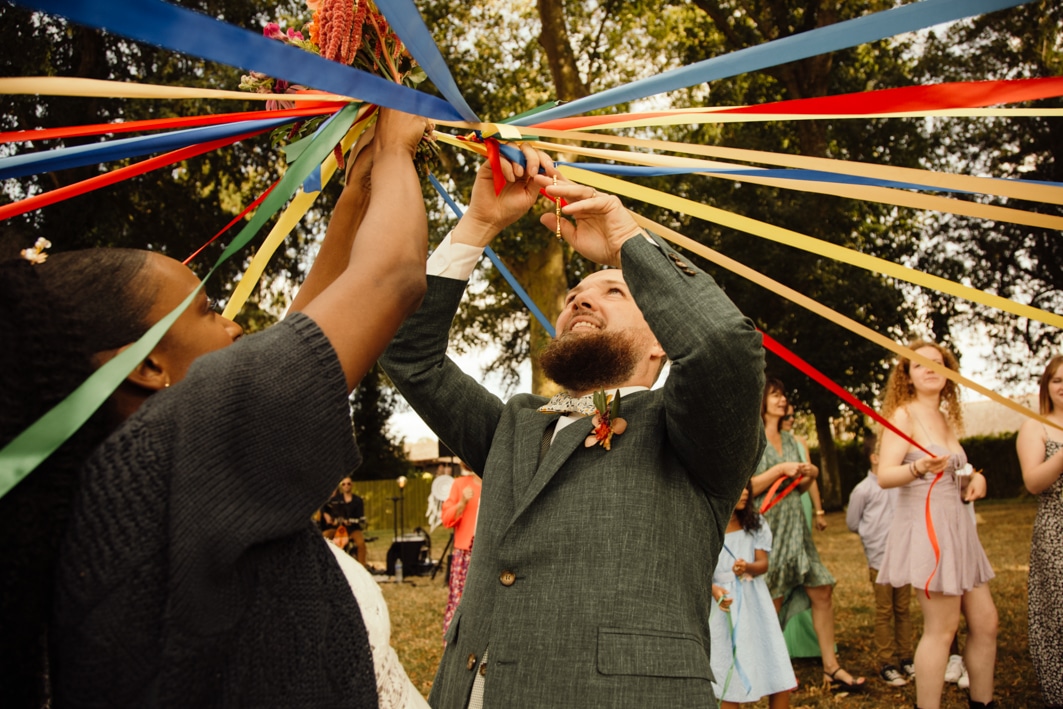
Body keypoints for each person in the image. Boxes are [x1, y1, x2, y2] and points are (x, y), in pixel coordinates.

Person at [0, 109, 431, 707]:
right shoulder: (168, 455)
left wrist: (357, 195)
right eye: (205, 310)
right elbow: (394, 276)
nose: (232, 324)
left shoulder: (96, 492)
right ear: (145, 367)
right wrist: (397, 151)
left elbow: (304, 331)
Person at [378, 148, 766, 708]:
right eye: (575, 294)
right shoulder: (514, 424)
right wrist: (479, 223)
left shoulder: (693, 430)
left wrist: (626, 245)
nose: (581, 295)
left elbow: (723, 345)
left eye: (616, 291)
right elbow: (408, 355)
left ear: (662, 337)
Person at [876, 340, 997, 709]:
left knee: (986, 623)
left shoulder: (944, 417)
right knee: (941, 631)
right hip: (931, 532)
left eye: (938, 362)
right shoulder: (904, 415)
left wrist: (977, 478)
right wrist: (918, 468)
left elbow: (958, 470)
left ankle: (983, 703)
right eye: (920, 364)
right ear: (907, 376)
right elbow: (884, 475)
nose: (930, 368)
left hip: (960, 529)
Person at [750, 378, 865, 692]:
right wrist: (779, 470)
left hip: (797, 530)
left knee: (822, 590)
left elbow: (797, 486)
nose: (782, 400)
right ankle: (771, 673)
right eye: (775, 395)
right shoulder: (751, 438)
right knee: (771, 603)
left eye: (783, 395)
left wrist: (807, 475)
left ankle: (831, 668)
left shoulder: (791, 440)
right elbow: (745, 490)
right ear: (761, 400)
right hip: (767, 532)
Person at [710, 482, 797, 708]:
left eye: (747, 487)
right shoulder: (709, 525)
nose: (746, 492)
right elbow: (700, 571)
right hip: (724, 603)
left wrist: (747, 566)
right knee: (728, 661)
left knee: (770, 656)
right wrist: (715, 590)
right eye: (739, 487)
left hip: (753, 599)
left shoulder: (754, 524)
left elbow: (763, 564)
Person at [845, 431, 914, 686]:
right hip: (879, 559)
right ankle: (887, 663)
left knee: (903, 610)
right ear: (875, 457)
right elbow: (853, 522)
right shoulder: (862, 490)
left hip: (902, 558)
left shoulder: (900, 484)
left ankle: (907, 658)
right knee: (884, 611)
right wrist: (871, 535)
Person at [1016, 355, 1063, 709]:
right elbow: (1033, 482)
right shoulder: (1036, 426)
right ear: (1046, 387)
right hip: (1056, 528)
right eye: (1057, 380)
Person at [440, 463, 481, 637]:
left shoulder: (496, 483)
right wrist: (462, 502)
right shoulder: (460, 484)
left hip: (488, 553)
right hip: (465, 555)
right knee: (461, 602)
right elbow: (446, 519)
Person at [324, 475, 368, 565]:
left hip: (353, 528)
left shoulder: (358, 500)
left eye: (348, 484)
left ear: (352, 485)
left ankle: (362, 567)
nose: (346, 486)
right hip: (337, 528)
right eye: (343, 484)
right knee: (324, 537)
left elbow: (360, 516)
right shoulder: (335, 500)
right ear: (341, 486)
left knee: (361, 544)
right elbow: (324, 508)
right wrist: (328, 516)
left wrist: (350, 522)